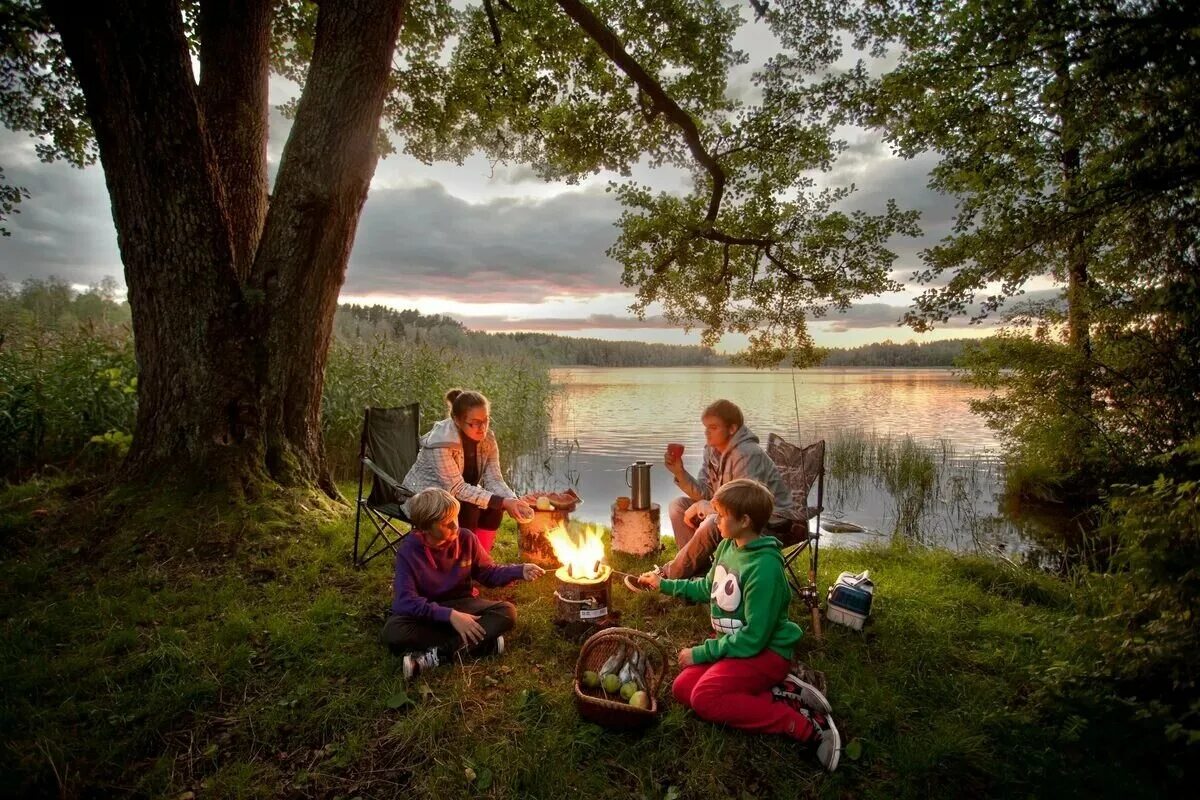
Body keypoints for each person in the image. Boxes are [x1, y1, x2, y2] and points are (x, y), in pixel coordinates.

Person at [636, 479, 841, 771]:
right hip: (739, 651)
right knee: (683, 689)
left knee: (704, 698)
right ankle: (781, 690)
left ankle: (801, 723)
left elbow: (754, 638)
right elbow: (708, 588)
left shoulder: (765, 569)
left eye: (720, 515)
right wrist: (664, 585)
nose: (714, 520)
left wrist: (701, 653)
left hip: (765, 653)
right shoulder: (728, 547)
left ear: (744, 520)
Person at [381, 488, 545, 680]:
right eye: (446, 523)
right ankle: (484, 644)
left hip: (462, 603)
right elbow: (405, 602)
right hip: (428, 611)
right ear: (425, 528)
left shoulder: (466, 538)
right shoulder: (408, 552)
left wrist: (519, 570)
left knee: (507, 612)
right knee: (393, 633)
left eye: (456, 518)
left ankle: (436, 656)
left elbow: (488, 573)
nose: (455, 526)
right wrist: (449, 616)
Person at [659, 399, 800, 579]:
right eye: (706, 427)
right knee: (678, 506)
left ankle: (669, 576)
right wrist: (680, 472)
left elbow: (746, 504)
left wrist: (707, 507)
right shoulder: (712, 451)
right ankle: (696, 575)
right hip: (733, 511)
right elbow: (705, 492)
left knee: (712, 522)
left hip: (768, 522)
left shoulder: (748, 454)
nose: (707, 433)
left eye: (713, 427)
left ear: (732, 429)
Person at [401, 388, 535, 553]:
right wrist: (502, 501)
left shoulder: (488, 440)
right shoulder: (441, 444)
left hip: (454, 495)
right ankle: (462, 563)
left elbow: (494, 479)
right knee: (467, 507)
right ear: (457, 420)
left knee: (494, 508)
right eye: (475, 422)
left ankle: (480, 560)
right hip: (422, 498)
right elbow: (456, 488)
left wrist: (512, 500)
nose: (482, 428)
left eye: (486, 420)